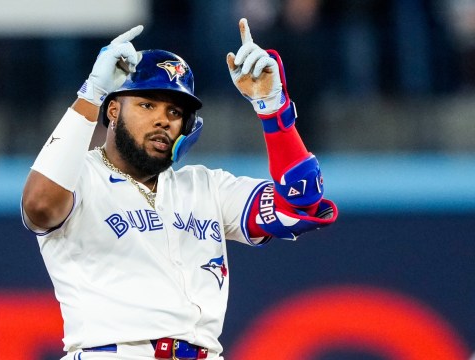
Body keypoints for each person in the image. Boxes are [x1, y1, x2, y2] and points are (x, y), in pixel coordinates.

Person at [21, 18, 337, 360]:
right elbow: (38, 207)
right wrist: (90, 94)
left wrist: (273, 112)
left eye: (175, 111)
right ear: (112, 109)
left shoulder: (206, 186)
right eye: (147, 105)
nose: (163, 119)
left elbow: (299, 207)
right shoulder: (78, 178)